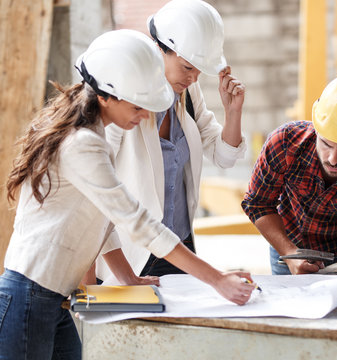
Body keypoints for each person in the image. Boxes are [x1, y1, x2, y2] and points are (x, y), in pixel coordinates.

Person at [0, 29, 255, 360]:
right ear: (105, 96)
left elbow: (106, 218)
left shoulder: (95, 137)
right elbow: (134, 220)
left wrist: (128, 278)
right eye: (139, 106)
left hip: (47, 299)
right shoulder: (83, 145)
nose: (144, 116)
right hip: (26, 300)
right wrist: (217, 280)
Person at [94, 0, 247, 279]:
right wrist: (116, 279)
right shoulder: (123, 101)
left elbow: (224, 157)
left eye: (199, 70)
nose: (193, 77)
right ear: (160, 49)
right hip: (133, 258)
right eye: (188, 67)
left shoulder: (188, 93)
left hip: (180, 248)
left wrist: (232, 112)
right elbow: (97, 196)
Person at [241, 75, 337, 275]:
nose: (333, 158)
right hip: (288, 247)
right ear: (317, 128)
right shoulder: (285, 143)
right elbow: (257, 203)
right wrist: (290, 252)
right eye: (326, 144)